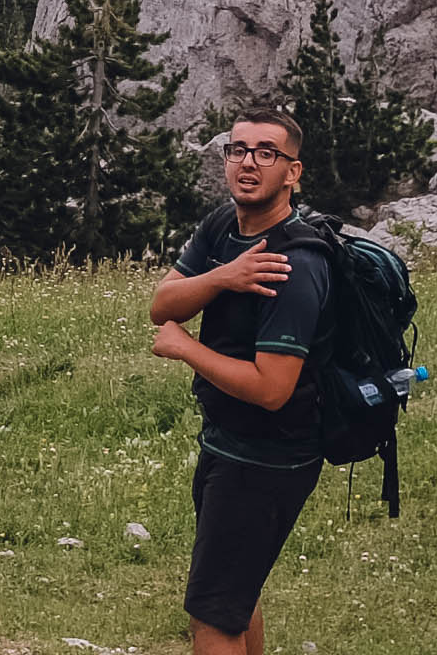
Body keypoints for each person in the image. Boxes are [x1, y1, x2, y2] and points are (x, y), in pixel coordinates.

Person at [147, 108, 333, 655]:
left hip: (266, 458)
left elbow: (272, 389)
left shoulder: (292, 264)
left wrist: (186, 348)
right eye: (238, 149)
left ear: (292, 173)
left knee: (212, 616)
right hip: (227, 442)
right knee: (233, 595)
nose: (248, 162)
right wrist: (224, 276)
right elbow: (162, 304)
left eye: (266, 152)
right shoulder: (223, 226)